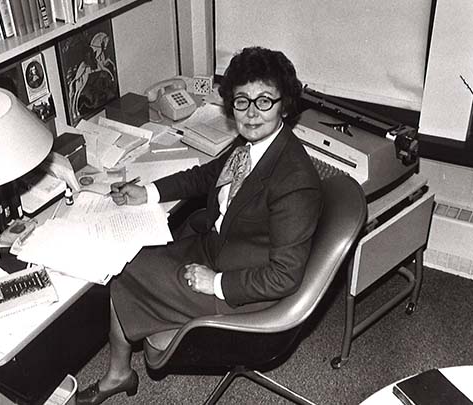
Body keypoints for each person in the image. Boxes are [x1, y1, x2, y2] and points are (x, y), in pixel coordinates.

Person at [76, 46, 323, 404]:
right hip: (216, 248)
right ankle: (122, 372)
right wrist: (146, 192)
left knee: (123, 272)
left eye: (265, 101)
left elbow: (284, 277)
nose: (252, 113)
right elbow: (208, 175)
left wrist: (216, 284)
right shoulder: (251, 146)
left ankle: (119, 373)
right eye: (242, 101)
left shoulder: (294, 179)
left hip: (243, 290)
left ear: (284, 105)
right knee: (122, 259)